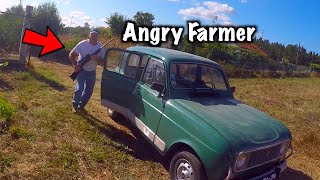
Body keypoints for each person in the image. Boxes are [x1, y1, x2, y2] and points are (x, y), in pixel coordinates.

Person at [69, 28, 105, 112]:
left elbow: (104, 61)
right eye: (92, 34)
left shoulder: (101, 47)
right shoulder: (83, 44)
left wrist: (97, 59)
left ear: (98, 36)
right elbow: (71, 54)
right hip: (81, 70)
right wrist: (75, 65)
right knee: (79, 88)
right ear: (89, 35)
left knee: (89, 91)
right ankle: (75, 104)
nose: (93, 36)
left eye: (96, 35)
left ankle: (81, 106)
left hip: (92, 72)